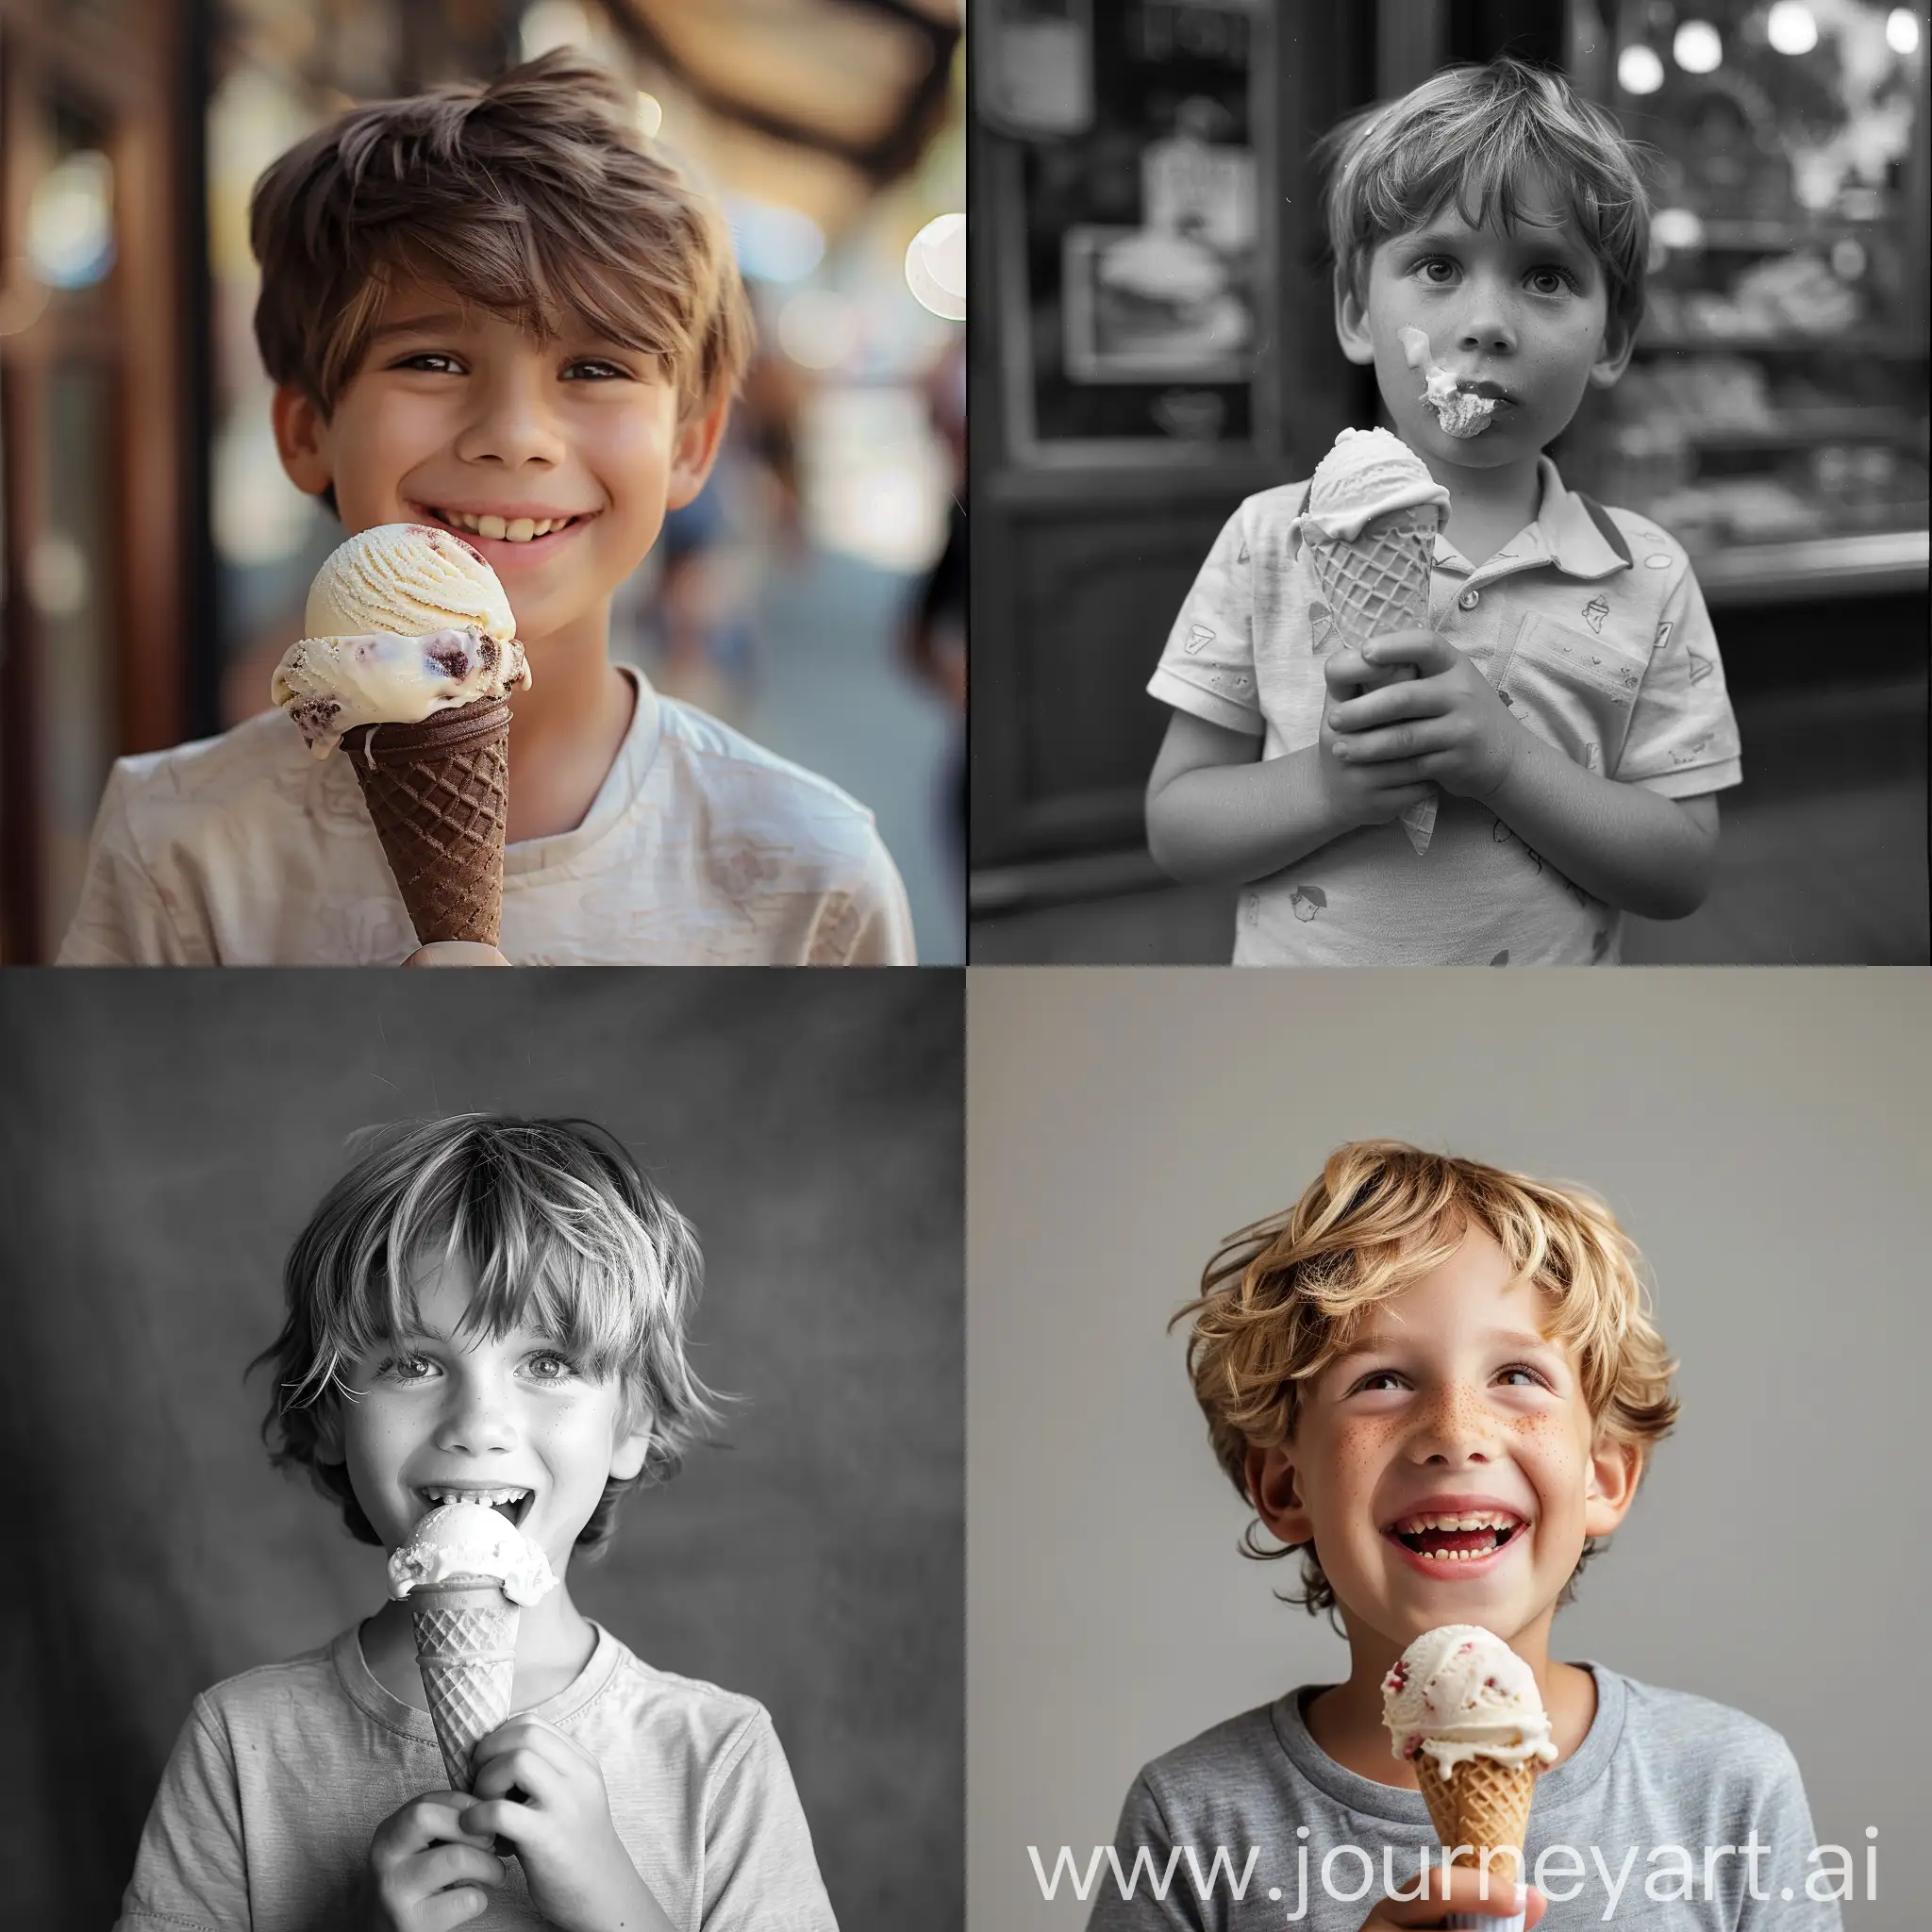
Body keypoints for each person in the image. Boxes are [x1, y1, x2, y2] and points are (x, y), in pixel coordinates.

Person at [59, 52, 914, 966]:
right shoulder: (178, 845)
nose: (514, 435)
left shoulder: (808, 875)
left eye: (594, 369)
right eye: (431, 360)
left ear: (690, 445)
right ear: (307, 427)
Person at [1088, 1141, 1837, 1930]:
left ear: (1604, 1475)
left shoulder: (1726, 1786)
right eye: (1381, 1381)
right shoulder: (1193, 1821)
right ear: (1285, 1485)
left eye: (1518, 1376)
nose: (1455, 1433)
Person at [114, 1116, 839, 1931]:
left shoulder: (716, 1754)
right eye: (413, 1364)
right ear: (326, 1418)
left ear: (630, 1427)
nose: (479, 1421)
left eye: (548, 1363)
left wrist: (618, 1905)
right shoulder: (242, 1741)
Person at [1143, 59, 1740, 965]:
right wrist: (1327, 787)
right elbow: (1177, 825)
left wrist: (1507, 763)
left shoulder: (1646, 573)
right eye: (1437, 265)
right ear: (1356, 310)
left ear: (1611, 338)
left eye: (1546, 278)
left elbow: (1682, 871)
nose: (1487, 321)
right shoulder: (1269, 539)